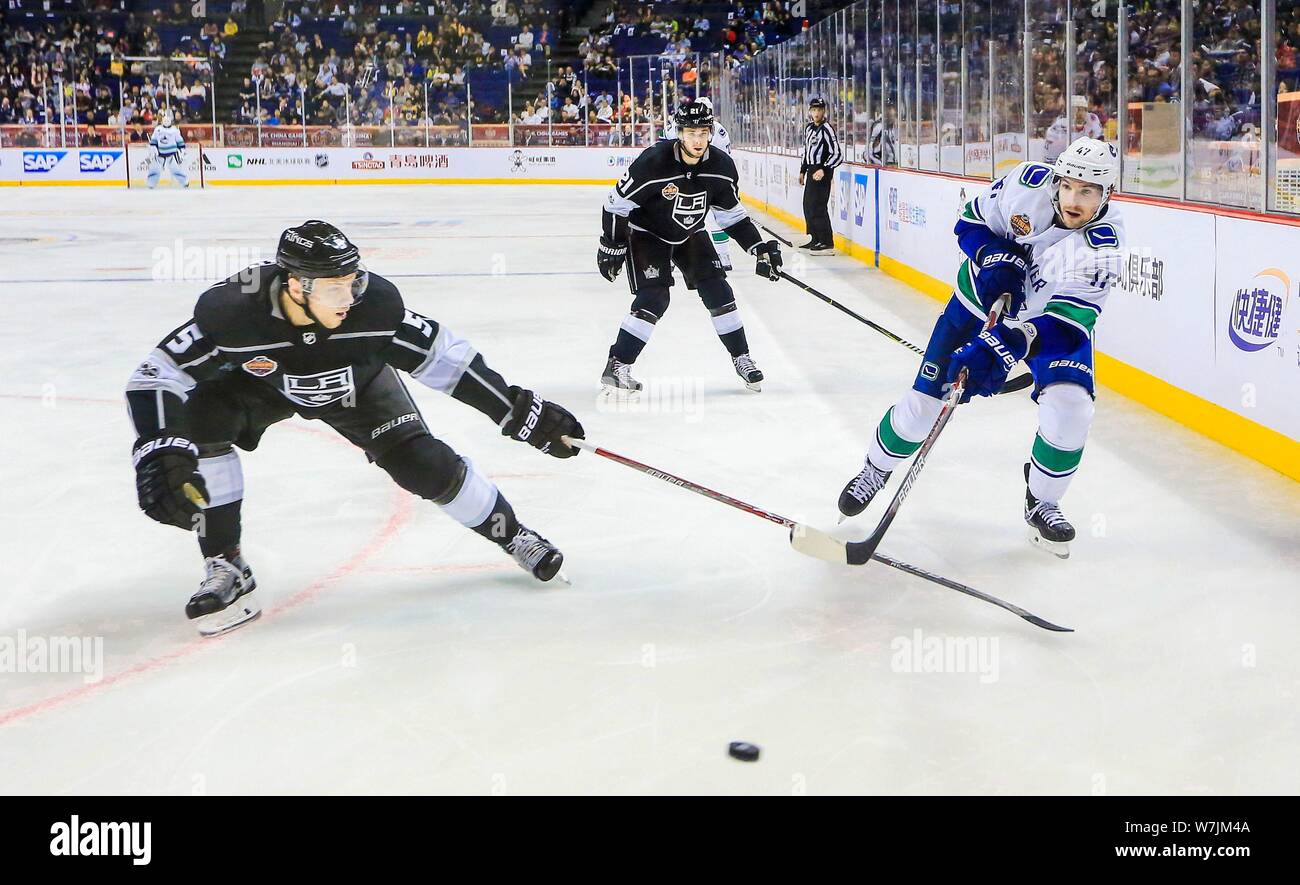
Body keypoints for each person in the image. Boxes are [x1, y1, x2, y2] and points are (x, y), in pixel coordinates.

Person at [125, 222, 585, 636]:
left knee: (424, 465)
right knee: (201, 421)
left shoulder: (374, 310)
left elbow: (448, 360)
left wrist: (518, 412)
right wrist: (159, 450)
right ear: (294, 286)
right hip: (261, 388)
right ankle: (226, 564)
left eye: (352, 282)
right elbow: (155, 376)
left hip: (355, 387)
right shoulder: (233, 314)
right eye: (333, 288)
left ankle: (514, 534)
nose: (349, 299)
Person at [835, 138, 1125, 559]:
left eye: (1087, 191)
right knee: (922, 408)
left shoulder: (1102, 243)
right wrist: (994, 255)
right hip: (973, 306)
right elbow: (968, 224)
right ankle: (874, 469)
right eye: (1067, 186)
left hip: (1047, 326)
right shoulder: (1025, 184)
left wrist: (1005, 345)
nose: (1072, 198)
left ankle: (1042, 501)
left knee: (1072, 409)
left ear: (1107, 194)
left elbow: (1070, 323)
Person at [596, 99, 783, 394]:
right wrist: (611, 245)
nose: (697, 139)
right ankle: (618, 364)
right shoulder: (653, 161)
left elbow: (731, 215)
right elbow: (616, 204)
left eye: (703, 132)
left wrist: (758, 247)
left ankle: (742, 358)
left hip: (690, 233)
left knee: (719, 291)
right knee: (655, 299)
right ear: (679, 132)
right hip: (647, 234)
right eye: (691, 132)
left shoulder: (721, 167)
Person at [662, 95, 735, 273]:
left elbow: (724, 160)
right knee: (674, 217)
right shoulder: (679, 127)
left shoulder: (717, 130)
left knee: (716, 216)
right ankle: (670, 256)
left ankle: (723, 254)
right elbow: (664, 151)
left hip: (705, 179)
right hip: (682, 179)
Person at [799, 97, 842, 255]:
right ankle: (815, 237)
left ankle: (826, 241)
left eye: (819, 110)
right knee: (808, 204)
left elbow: (837, 154)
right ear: (810, 111)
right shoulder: (809, 129)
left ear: (824, 111)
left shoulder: (827, 129)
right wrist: (803, 170)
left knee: (818, 206)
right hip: (811, 170)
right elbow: (807, 151)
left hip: (822, 173)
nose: (816, 113)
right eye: (814, 110)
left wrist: (824, 169)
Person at [146, 109, 188, 188]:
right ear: (162, 121)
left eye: (167, 121)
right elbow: (154, 140)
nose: (166, 122)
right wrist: (153, 148)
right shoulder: (158, 129)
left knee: (176, 170)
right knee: (155, 169)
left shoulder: (174, 130)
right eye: (164, 121)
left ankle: (184, 182)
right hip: (160, 154)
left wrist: (182, 150)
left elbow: (179, 140)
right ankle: (151, 183)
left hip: (172, 154)